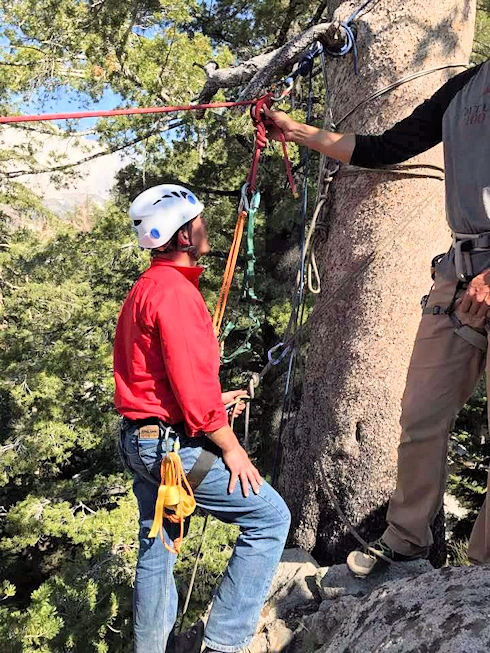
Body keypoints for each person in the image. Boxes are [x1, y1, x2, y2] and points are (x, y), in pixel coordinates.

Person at [264, 59, 489, 575]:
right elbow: (384, 148)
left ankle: (483, 572)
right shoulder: (465, 88)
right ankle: (407, 537)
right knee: (420, 415)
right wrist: (297, 131)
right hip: (458, 273)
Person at [113, 183, 291, 651]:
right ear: (185, 236)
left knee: (159, 544)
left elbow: (158, 375)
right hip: (167, 449)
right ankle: (225, 643)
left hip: (140, 439)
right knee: (270, 518)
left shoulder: (146, 288)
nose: (205, 225)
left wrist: (212, 400)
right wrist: (232, 449)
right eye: (198, 220)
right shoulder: (176, 295)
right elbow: (192, 392)